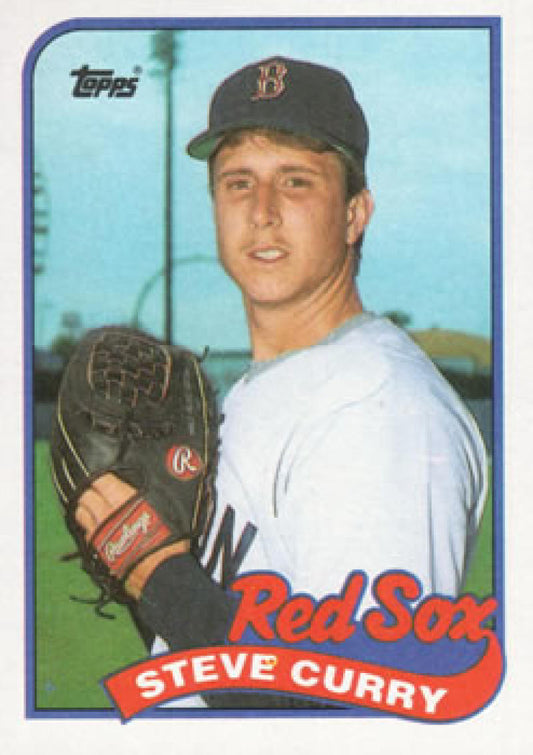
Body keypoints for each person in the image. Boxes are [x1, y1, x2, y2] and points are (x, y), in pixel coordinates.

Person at [75, 56, 488, 707]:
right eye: (238, 183)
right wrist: (150, 581)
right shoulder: (260, 389)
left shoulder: (378, 410)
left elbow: (363, 700)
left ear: (355, 214)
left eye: (295, 181)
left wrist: (155, 571)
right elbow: (227, 647)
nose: (262, 211)